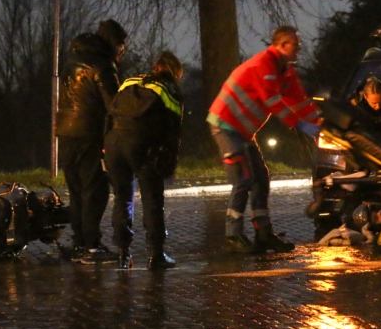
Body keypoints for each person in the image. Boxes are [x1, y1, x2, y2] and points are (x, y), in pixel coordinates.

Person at [208, 26, 321, 253]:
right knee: (243, 179)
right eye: (295, 45)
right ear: (280, 45)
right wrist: (300, 125)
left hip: (243, 131)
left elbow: (300, 102)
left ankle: (264, 234)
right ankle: (233, 235)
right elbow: (272, 101)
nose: (299, 48)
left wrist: (321, 125)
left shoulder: (286, 72)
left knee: (261, 178)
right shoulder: (264, 65)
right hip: (225, 125)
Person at [55, 19, 127, 262]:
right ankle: (92, 247)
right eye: (121, 45)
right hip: (90, 135)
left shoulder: (72, 61)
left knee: (76, 191)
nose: (122, 50)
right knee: (95, 190)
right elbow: (114, 105)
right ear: (113, 43)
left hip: (65, 133)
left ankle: (79, 244)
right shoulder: (103, 65)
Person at [105, 51, 185, 269]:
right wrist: (167, 164)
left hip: (114, 142)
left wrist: (106, 147)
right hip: (143, 146)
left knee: (122, 198)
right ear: (175, 72)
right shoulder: (169, 91)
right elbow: (173, 133)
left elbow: (110, 114)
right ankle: (156, 254)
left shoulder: (129, 82)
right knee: (152, 200)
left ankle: (122, 253)